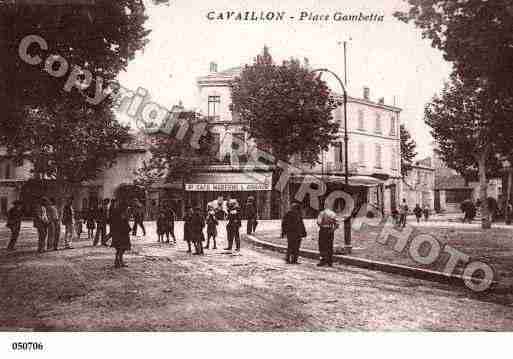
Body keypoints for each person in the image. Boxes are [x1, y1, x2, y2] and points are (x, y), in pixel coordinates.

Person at [110, 200, 131, 268]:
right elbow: (123, 222)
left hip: (118, 233)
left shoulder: (116, 211)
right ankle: (118, 262)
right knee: (121, 249)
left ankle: (118, 261)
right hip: (122, 233)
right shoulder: (121, 212)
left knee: (119, 249)